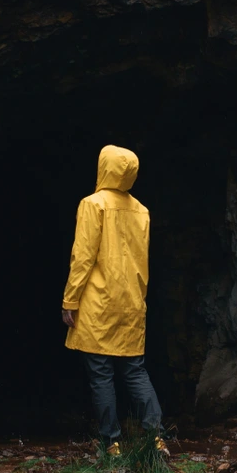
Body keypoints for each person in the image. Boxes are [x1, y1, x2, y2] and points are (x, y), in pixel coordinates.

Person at [61, 145, 168, 457]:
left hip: (99, 303)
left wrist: (70, 299)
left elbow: (83, 257)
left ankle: (112, 443)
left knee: (101, 374)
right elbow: (141, 261)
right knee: (135, 371)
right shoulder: (142, 211)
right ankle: (157, 437)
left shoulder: (92, 205)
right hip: (132, 303)